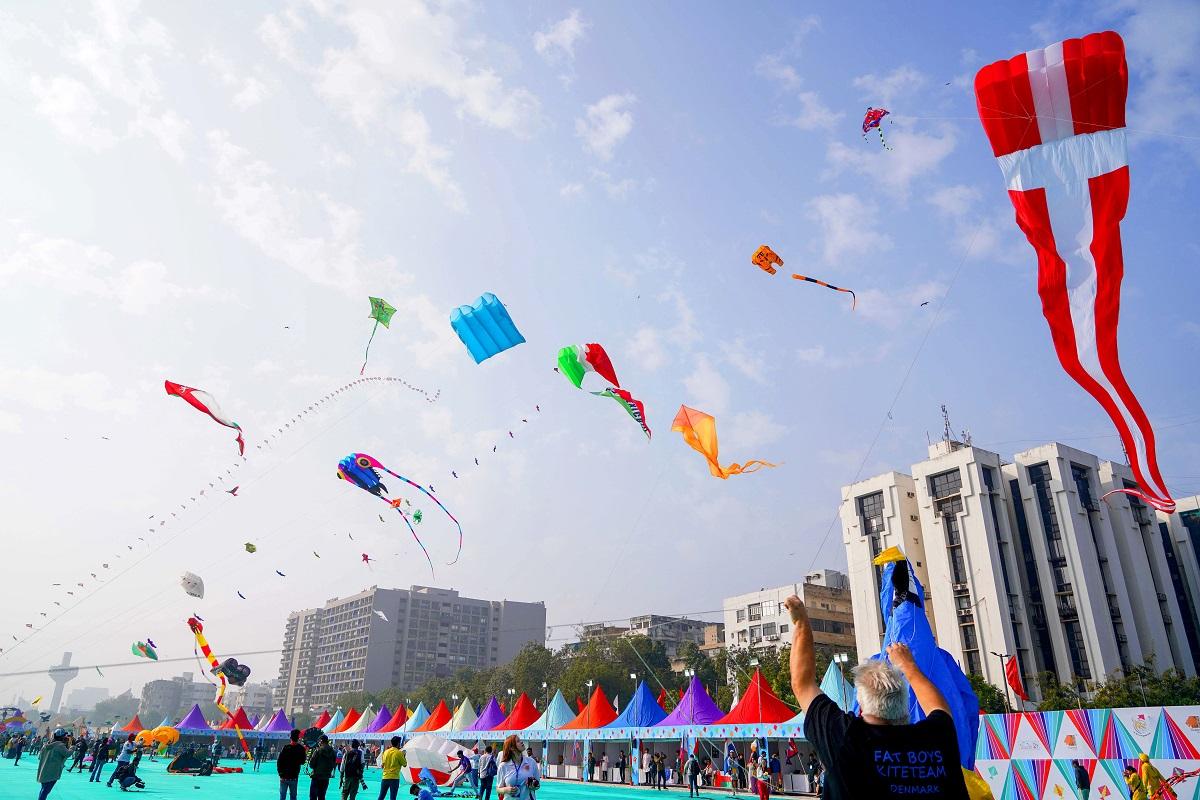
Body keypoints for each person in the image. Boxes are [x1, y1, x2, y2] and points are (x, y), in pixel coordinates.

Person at [785, 594, 970, 799]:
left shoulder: (846, 738)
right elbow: (939, 707)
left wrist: (801, 621)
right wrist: (909, 666)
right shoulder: (936, 739)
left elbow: (802, 684)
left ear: (862, 708)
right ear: (904, 702)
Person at [495, 734, 540, 800]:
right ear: (512, 748)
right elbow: (498, 789)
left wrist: (533, 785)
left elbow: (538, 785)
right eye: (518, 741)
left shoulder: (531, 762)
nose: (521, 742)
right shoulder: (503, 766)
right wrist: (506, 790)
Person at [35, 728, 69, 800]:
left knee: (43, 789)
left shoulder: (46, 745)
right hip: (53, 771)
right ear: (61, 737)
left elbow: (39, 756)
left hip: (44, 770)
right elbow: (67, 754)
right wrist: (72, 747)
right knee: (46, 790)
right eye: (64, 736)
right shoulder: (60, 745)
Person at [278, 729, 308, 800]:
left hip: (284, 776)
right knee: (293, 796)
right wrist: (305, 753)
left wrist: (280, 774)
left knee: (282, 796)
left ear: (290, 738)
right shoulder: (301, 749)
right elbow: (303, 762)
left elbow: (279, 762)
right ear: (298, 738)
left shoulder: (285, 748)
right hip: (294, 776)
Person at [378, 736, 406, 800]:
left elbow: (383, 764)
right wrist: (404, 755)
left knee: (381, 796)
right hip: (394, 778)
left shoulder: (386, 752)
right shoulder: (399, 753)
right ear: (398, 743)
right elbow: (404, 764)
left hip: (385, 777)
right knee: (393, 798)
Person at [308, 735, 336, 800]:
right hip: (326, 777)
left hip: (316, 777)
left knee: (313, 796)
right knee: (322, 796)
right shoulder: (332, 751)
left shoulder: (317, 751)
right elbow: (334, 763)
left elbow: (311, 764)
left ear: (321, 741)